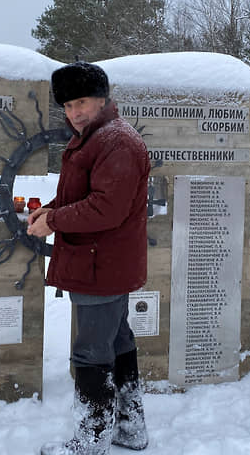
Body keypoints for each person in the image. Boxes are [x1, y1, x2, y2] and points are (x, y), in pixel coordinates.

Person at [27, 61, 150, 455]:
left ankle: (90, 439)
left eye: (81, 102)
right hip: (106, 263)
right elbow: (85, 195)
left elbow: (106, 208)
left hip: (101, 264)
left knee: (90, 352)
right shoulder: (97, 138)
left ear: (102, 98)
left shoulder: (116, 142)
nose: (74, 112)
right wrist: (49, 209)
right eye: (67, 105)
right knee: (117, 341)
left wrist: (55, 221)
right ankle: (130, 427)